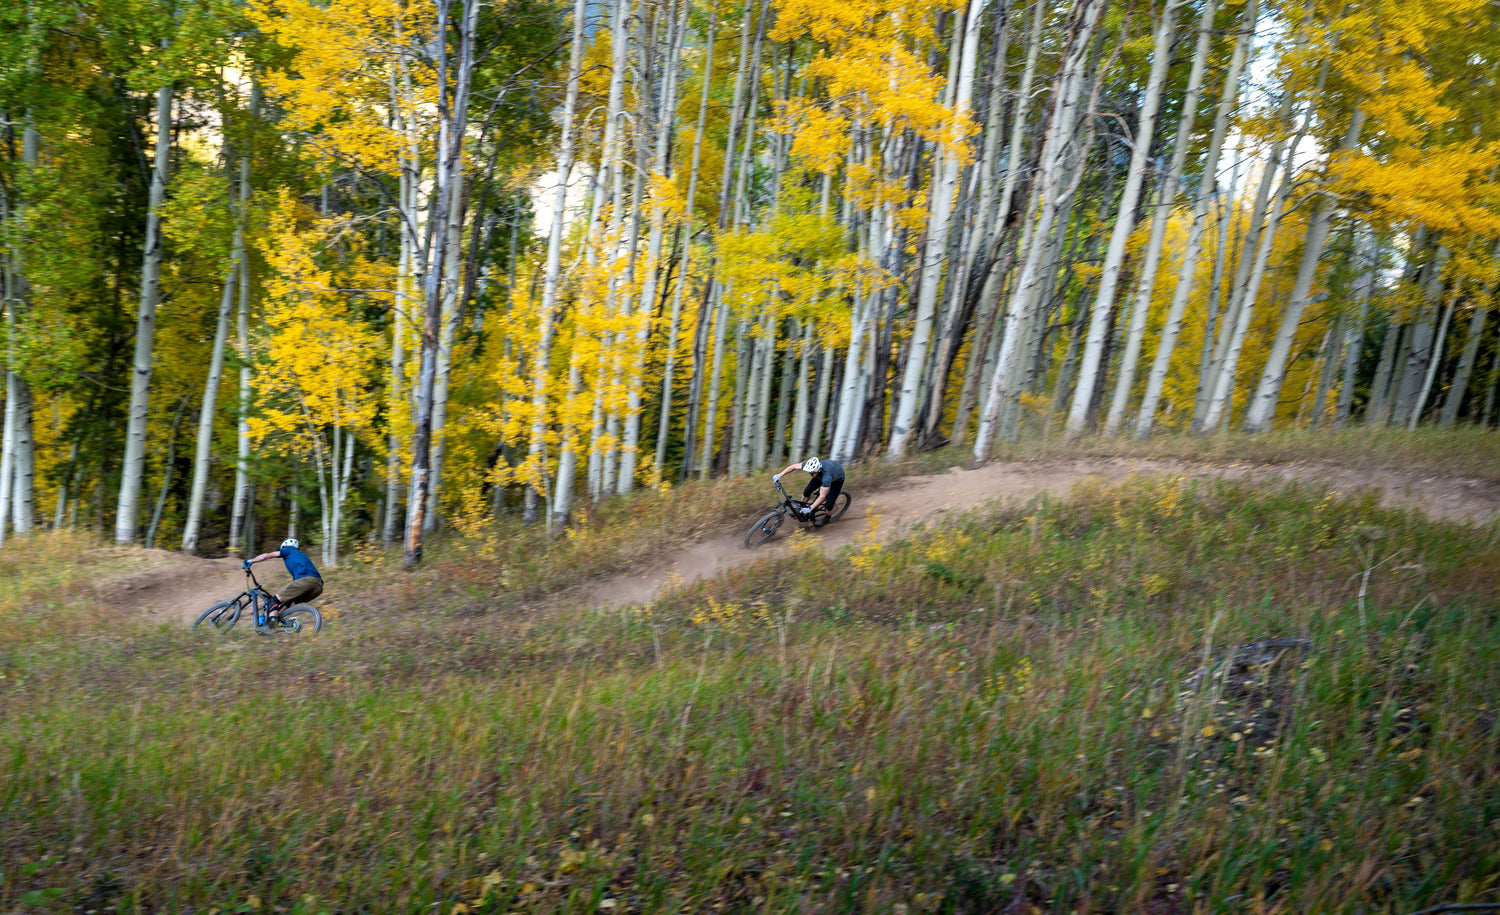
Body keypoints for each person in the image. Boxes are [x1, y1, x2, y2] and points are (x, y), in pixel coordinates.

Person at [244, 538, 323, 624]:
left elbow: (266, 556)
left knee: (273, 600)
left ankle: (272, 624)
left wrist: (250, 561)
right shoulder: (300, 557)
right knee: (286, 602)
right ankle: (272, 623)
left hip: (307, 581)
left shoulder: (289, 549)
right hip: (318, 587)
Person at [773, 456, 845, 526]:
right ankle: (801, 509)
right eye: (809, 472)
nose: (810, 475)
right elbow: (794, 466)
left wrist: (810, 508)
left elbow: (822, 496)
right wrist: (780, 475)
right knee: (807, 492)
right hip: (821, 474)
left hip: (837, 480)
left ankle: (827, 518)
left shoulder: (827, 476)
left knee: (829, 504)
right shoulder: (812, 467)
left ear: (819, 469)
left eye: (812, 473)